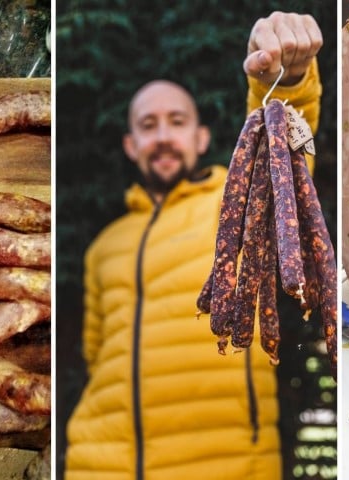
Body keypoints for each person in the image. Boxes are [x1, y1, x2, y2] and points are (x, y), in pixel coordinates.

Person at [64, 11, 324, 480]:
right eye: (148, 124)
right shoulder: (103, 246)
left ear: (201, 137)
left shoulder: (237, 203)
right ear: (130, 144)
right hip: (100, 465)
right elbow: (97, 358)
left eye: (176, 121)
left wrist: (285, 81)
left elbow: (286, 161)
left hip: (229, 467)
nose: (163, 135)